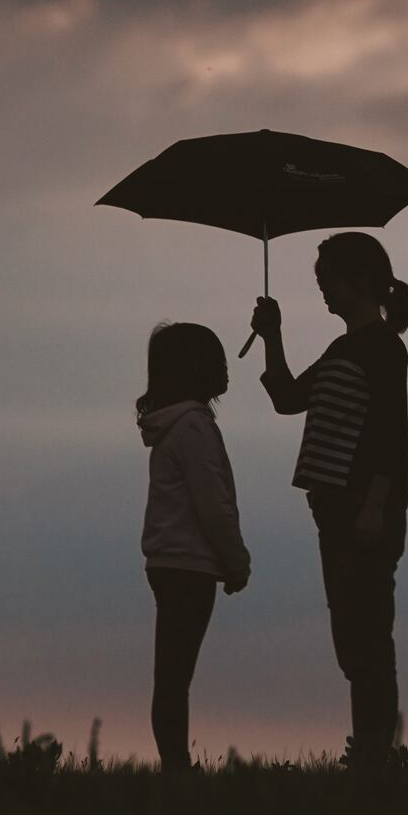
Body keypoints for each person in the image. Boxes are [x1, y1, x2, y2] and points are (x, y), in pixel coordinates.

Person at [249, 232, 408, 767]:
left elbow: (390, 432)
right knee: (351, 639)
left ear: (361, 281)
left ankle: (374, 757)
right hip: (334, 511)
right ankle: (370, 751)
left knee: (366, 640)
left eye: (330, 280)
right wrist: (272, 335)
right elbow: (287, 398)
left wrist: (374, 505)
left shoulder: (385, 348)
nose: (323, 290)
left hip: (364, 508)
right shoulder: (343, 349)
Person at [137, 322, 251, 773]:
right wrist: (236, 562)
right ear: (197, 368)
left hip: (169, 562)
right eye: (217, 359)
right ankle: (176, 768)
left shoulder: (174, 428)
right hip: (189, 566)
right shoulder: (194, 428)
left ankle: (175, 766)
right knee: (174, 677)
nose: (226, 368)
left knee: (171, 674)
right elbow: (213, 504)